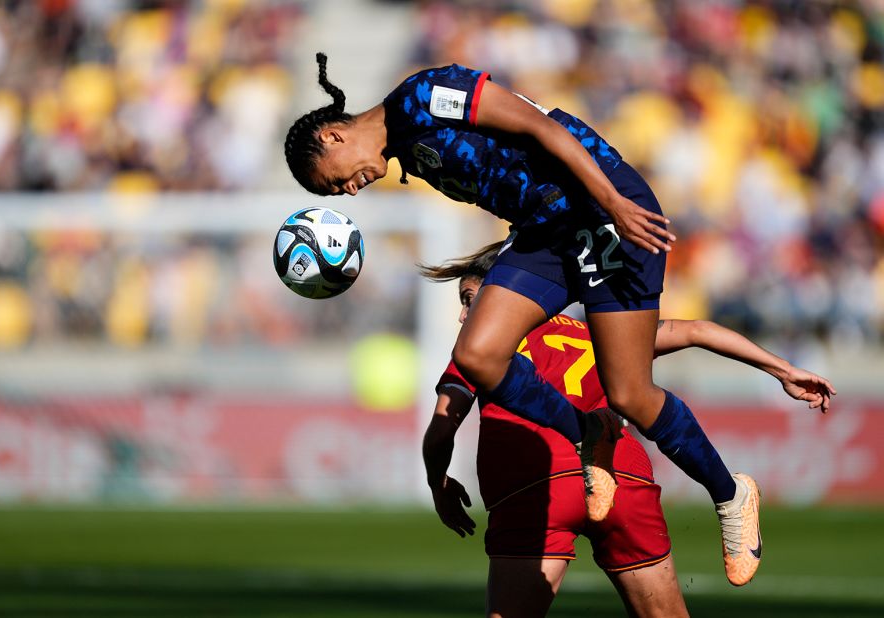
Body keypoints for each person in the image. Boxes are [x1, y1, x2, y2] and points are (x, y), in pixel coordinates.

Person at [283, 54, 837, 585]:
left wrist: (612, 200)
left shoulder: (424, 96)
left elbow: (540, 125)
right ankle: (585, 430)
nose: (347, 190)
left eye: (333, 181)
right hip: (545, 235)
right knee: (477, 355)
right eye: (335, 192)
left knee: (629, 394)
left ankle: (730, 493)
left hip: (604, 208)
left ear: (332, 136)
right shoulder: (409, 152)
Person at [419, 242, 836, 617]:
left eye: (470, 300)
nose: (463, 315)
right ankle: (729, 494)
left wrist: (438, 484)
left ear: (502, 298)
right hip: (621, 476)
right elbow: (696, 330)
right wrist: (784, 370)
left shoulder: (482, 350)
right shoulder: (595, 334)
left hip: (535, 486)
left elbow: (441, 431)